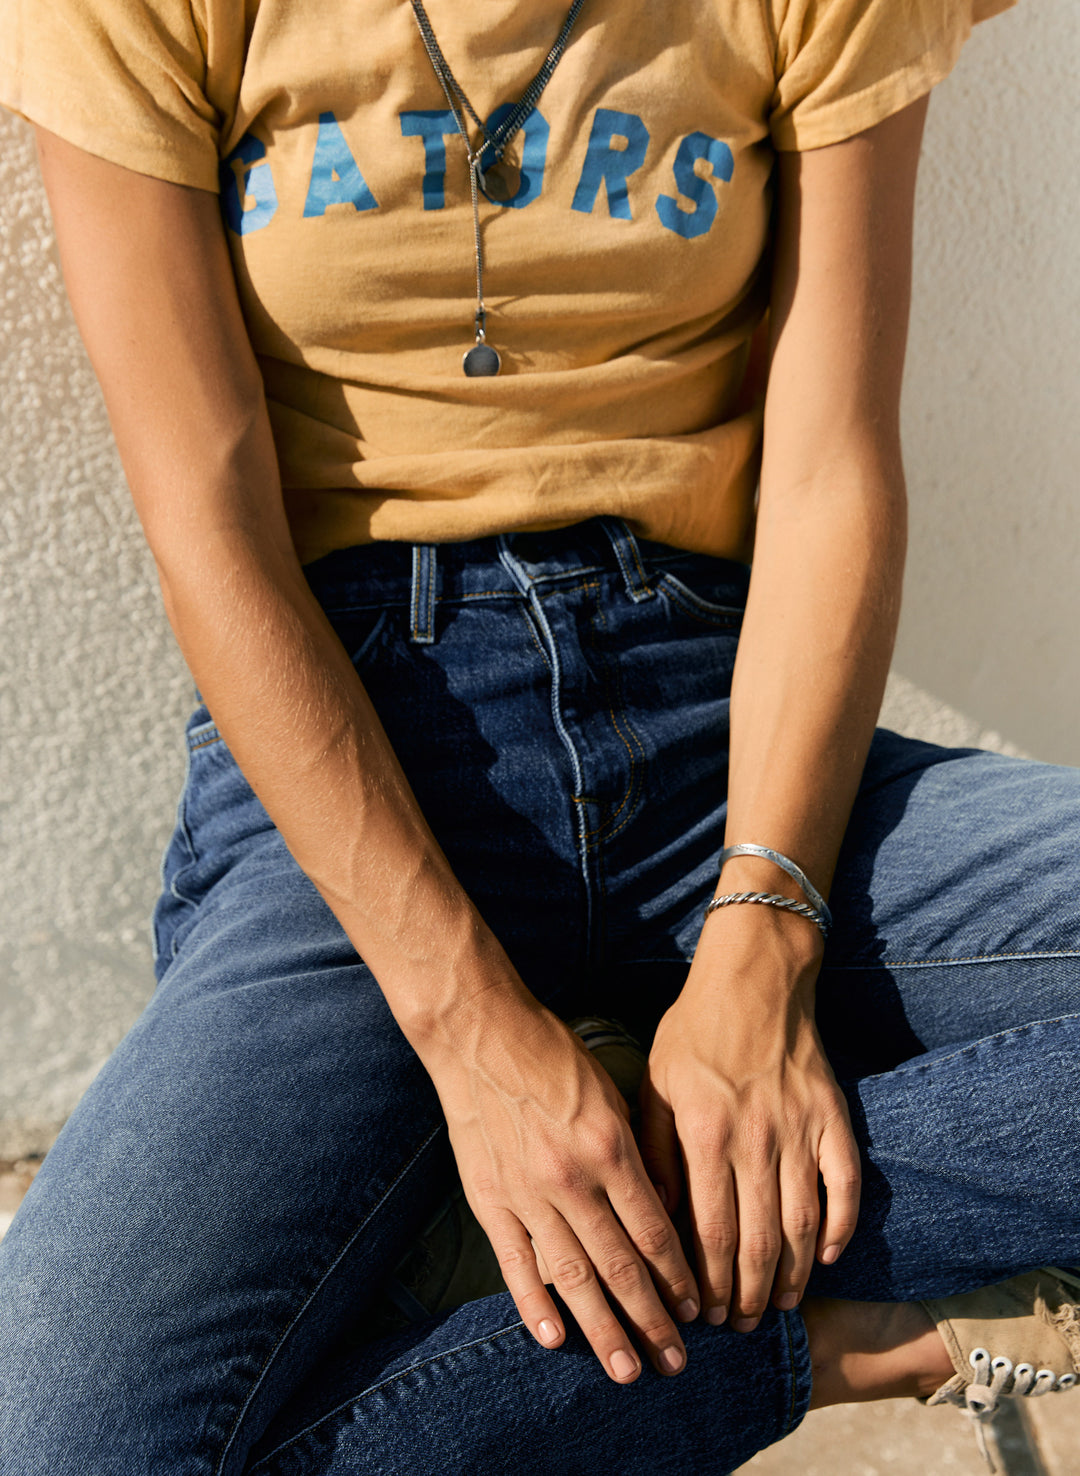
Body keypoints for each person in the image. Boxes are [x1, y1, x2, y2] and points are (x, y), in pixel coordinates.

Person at [1, 0, 1077, 1472]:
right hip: (363, 762)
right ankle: (829, 1335)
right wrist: (472, 1037)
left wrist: (762, 945)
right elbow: (209, 524)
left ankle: (606, 1221)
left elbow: (829, 469)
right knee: (57, 1437)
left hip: (726, 729)